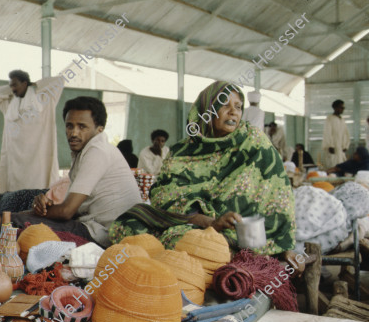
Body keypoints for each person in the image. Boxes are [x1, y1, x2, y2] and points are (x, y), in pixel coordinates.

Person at [109, 81, 298, 264]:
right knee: (131, 223)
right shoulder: (182, 152)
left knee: (190, 245)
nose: (233, 111)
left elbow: (279, 196)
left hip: (238, 234)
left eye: (239, 107)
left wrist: (285, 246)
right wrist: (210, 222)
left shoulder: (254, 143)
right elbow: (164, 199)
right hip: (194, 225)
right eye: (224, 105)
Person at [11, 96, 142, 247]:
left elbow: (67, 212)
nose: (74, 133)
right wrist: (44, 206)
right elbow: (70, 208)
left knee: (13, 221)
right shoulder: (86, 151)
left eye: (82, 127)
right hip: (96, 228)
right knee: (19, 217)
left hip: (104, 236)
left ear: (100, 129)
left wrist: (36, 212)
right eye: (69, 126)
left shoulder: (98, 151)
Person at [0, 70, 64, 192]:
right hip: (15, 161)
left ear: (25, 83)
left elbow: (59, 81)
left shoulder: (44, 99)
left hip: (38, 161)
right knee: (15, 194)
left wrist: (34, 85)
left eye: (15, 85)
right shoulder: (9, 103)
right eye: (11, 86)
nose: (13, 89)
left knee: (37, 193)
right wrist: (14, 88)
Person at [322, 99, 350, 169]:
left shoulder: (342, 120)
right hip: (333, 147)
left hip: (341, 148)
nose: (343, 109)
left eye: (343, 108)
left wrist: (345, 146)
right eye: (341, 107)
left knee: (341, 166)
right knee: (332, 165)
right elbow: (327, 132)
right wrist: (330, 145)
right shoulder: (330, 118)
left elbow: (346, 134)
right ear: (335, 108)